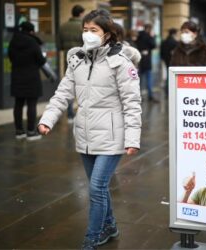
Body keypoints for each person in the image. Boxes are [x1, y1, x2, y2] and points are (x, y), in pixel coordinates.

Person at [37, 9, 142, 250]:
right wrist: (48, 119)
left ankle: (93, 237)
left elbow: (132, 103)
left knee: (96, 188)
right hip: (84, 134)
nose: (88, 35)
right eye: (85, 30)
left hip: (112, 135)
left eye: (93, 30)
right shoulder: (77, 60)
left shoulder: (121, 63)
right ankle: (111, 226)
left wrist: (132, 139)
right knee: (100, 187)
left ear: (107, 34)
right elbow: (63, 93)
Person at [8, 21, 46, 141]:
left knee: (18, 104)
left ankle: (19, 131)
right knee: (31, 104)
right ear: (31, 31)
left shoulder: (13, 41)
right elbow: (41, 60)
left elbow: (10, 57)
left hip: (17, 75)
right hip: (31, 77)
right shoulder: (32, 42)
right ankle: (31, 132)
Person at [58, 4, 85, 124]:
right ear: (80, 14)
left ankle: (69, 114)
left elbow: (59, 45)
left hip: (68, 59)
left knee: (70, 86)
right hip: (82, 59)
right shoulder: (83, 27)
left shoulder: (63, 27)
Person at [136, 23, 158, 102]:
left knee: (139, 80)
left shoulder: (139, 35)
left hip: (139, 60)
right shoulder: (148, 36)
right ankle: (150, 96)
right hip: (147, 61)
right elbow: (154, 45)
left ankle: (138, 96)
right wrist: (152, 37)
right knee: (148, 79)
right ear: (149, 29)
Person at [160, 28, 178, 96]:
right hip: (173, 61)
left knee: (168, 75)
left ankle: (167, 91)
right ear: (174, 34)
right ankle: (170, 90)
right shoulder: (175, 42)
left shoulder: (164, 41)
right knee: (172, 76)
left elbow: (161, 52)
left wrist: (163, 59)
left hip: (166, 60)